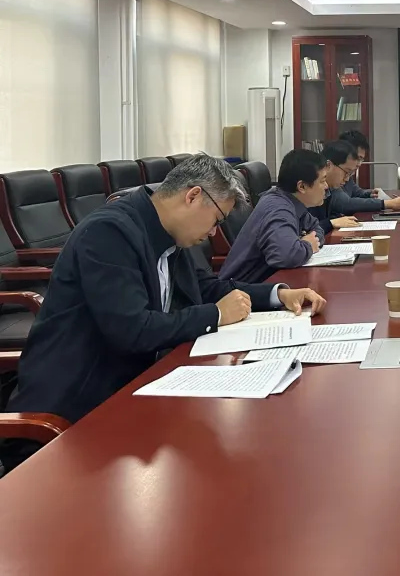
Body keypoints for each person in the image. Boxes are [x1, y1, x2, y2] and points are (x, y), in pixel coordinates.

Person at [0, 154, 326, 470]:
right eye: (217, 220)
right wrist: (214, 315)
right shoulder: (109, 233)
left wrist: (277, 294)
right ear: (193, 196)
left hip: (134, 391)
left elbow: (204, 288)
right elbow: (133, 330)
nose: (214, 232)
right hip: (76, 415)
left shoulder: (166, 233)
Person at [219, 149, 328, 283]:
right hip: (242, 290)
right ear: (302, 186)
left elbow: (317, 229)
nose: (326, 186)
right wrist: (308, 245)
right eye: (322, 181)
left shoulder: (292, 202)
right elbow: (285, 256)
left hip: (267, 284)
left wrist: (305, 243)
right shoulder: (278, 208)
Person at [337, 130, 400, 213]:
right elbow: (347, 203)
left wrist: (371, 194)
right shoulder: (334, 176)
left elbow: (357, 193)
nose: (359, 164)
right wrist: (386, 203)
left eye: (361, 159)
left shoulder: (346, 174)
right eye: (358, 158)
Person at [308, 140, 363, 233]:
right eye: (346, 172)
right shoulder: (310, 188)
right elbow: (305, 231)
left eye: (350, 174)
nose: (347, 179)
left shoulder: (330, 188)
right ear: (328, 165)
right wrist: (330, 223)